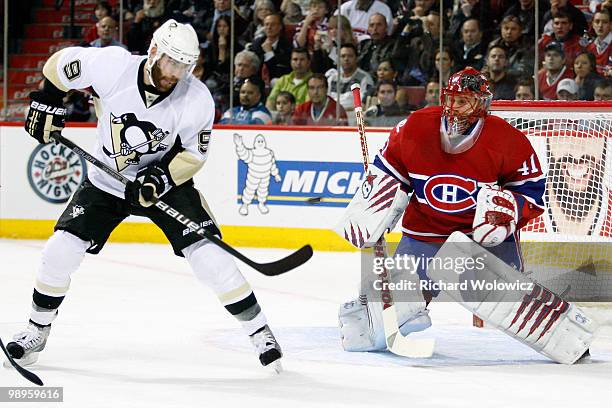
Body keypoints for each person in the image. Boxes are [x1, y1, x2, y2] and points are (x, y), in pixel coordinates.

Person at [9, 19, 282, 371]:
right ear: (154, 52)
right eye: (171, 62)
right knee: (59, 251)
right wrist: (47, 101)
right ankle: (36, 329)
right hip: (106, 182)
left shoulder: (196, 98)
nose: (176, 73)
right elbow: (57, 65)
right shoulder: (112, 66)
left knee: (210, 257)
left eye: (185, 66)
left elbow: (193, 155)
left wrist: (159, 178)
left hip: (164, 184)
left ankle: (260, 331)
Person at [337, 67, 547, 357]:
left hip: (480, 234)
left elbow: (533, 191)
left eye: (464, 101)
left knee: (507, 301)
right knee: (402, 301)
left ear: (483, 105)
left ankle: (558, 330)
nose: (454, 108)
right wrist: (374, 205)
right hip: (427, 227)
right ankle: (395, 318)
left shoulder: (507, 140)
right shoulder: (415, 126)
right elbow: (388, 170)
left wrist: (510, 210)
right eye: (451, 99)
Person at [325, 43, 375, 121]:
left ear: (356, 58)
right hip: (332, 118)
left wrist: (342, 111)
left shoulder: (364, 78)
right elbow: (325, 101)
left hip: (353, 119)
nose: (346, 59)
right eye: (343, 56)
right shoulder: (332, 78)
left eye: (350, 56)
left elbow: (364, 105)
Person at [586, 9, 611, 77]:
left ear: (611, 25)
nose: (600, 25)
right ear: (593, 25)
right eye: (597, 22)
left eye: (605, 22)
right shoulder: (589, 47)